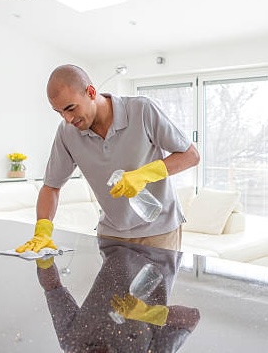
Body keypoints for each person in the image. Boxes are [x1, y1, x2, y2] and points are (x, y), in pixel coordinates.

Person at [16, 64, 200, 253]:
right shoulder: (66, 132)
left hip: (159, 230)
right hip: (111, 234)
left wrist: (144, 175)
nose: (68, 119)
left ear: (91, 92)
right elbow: (51, 186)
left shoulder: (142, 109)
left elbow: (191, 156)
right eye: (60, 112)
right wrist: (42, 231)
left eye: (70, 108)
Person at [36, 237, 200, 352]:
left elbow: (52, 286)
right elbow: (191, 318)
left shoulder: (71, 341)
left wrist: (43, 257)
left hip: (113, 239)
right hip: (161, 248)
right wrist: (148, 314)